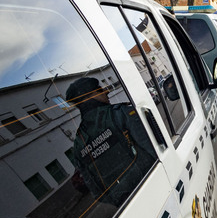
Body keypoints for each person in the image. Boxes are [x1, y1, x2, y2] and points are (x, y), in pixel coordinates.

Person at [66, 77, 158, 205]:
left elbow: (96, 192)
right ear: (89, 96)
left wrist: (120, 199)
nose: (106, 91)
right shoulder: (120, 114)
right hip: (156, 186)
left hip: (125, 205)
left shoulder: (78, 144)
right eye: (99, 90)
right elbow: (156, 151)